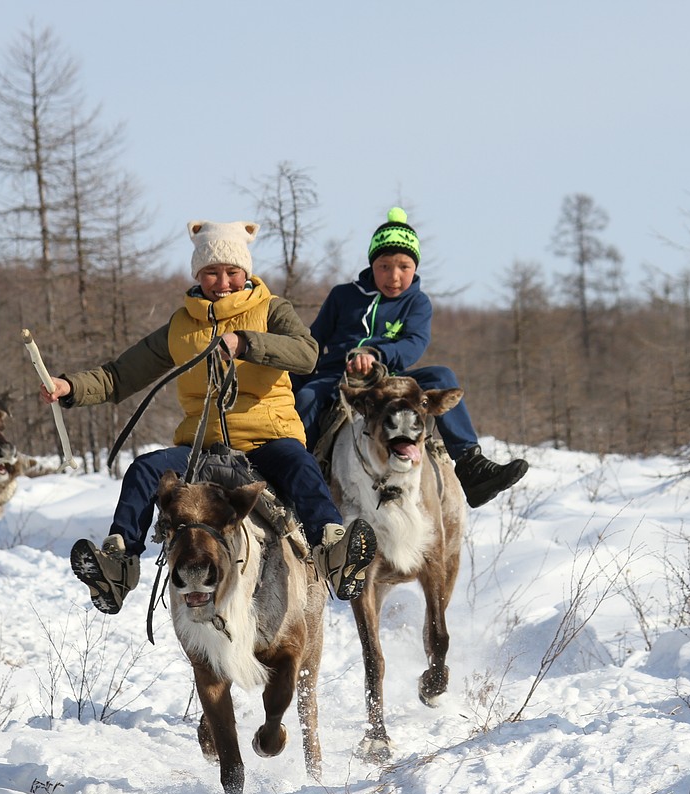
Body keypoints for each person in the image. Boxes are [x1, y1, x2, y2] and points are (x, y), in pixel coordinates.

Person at [39, 220, 376, 614]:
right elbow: (119, 375)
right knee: (145, 469)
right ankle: (117, 565)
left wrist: (245, 342)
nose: (223, 282)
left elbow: (306, 353)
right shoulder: (181, 326)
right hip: (201, 448)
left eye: (232, 272)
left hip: (268, 439)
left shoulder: (270, 309)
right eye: (212, 273)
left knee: (301, 467)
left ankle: (334, 552)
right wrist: (69, 387)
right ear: (198, 274)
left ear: (245, 273)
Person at [293, 207, 529, 509]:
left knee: (442, 376)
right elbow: (314, 341)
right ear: (372, 265)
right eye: (384, 266)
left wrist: (377, 354)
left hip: (390, 378)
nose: (394, 276)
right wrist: (295, 375)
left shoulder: (417, 302)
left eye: (404, 266)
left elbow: (415, 342)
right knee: (307, 397)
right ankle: (303, 478)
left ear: (414, 268)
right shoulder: (343, 295)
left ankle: (471, 465)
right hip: (339, 377)